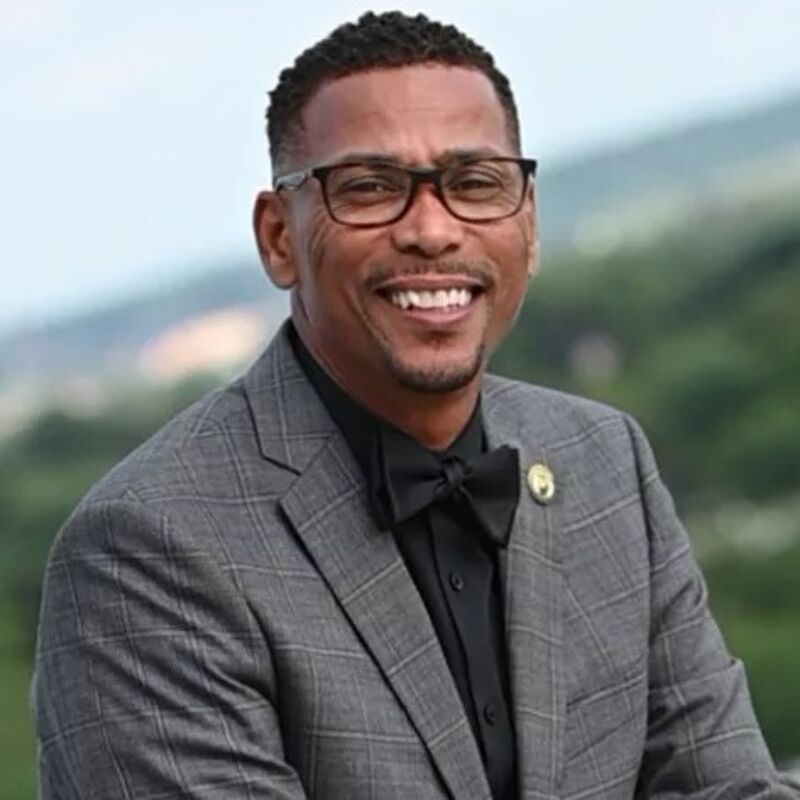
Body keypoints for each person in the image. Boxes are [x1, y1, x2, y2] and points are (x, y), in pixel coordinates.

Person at [32, 11, 798, 800]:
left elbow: (724, 786)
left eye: (475, 184)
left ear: (527, 223)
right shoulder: (146, 548)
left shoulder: (603, 457)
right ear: (278, 237)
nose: (432, 230)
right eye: (370, 188)